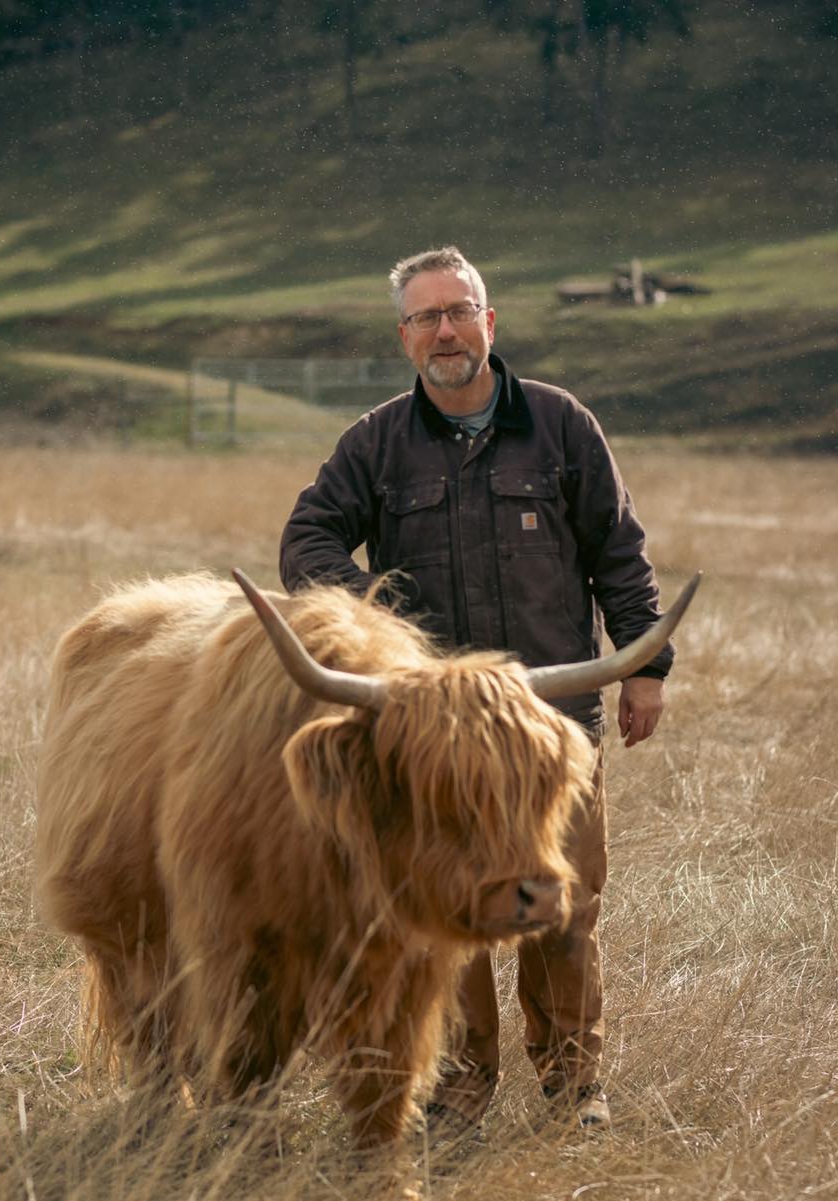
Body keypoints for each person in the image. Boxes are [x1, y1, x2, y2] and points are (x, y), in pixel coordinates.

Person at [279, 246, 673, 1135]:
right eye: (426, 318)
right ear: (404, 337)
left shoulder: (562, 425)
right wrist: (379, 626)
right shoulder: (375, 443)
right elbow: (306, 539)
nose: (446, 331)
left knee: (559, 907)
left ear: (490, 323)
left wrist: (647, 664)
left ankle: (575, 1086)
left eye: (460, 311)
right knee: (444, 913)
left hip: (548, 731)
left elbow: (619, 549)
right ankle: (457, 1086)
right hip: (432, 742)